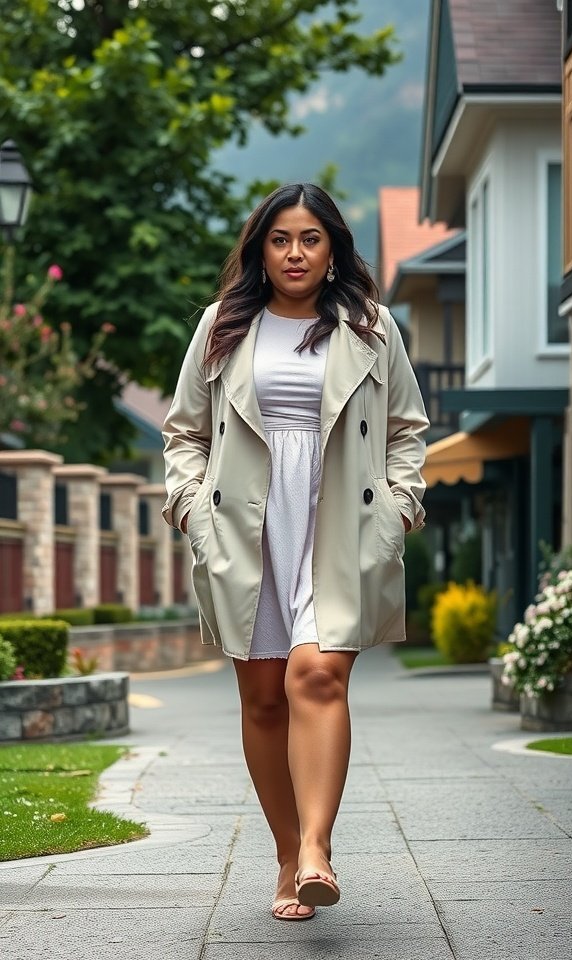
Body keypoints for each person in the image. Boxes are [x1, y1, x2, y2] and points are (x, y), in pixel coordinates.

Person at [162, 183, 429, 921]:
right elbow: (185, 431)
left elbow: (407, 428)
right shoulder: (222, 326)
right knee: (265, 696)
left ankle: (317, 848)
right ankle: (286, 856)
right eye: (281, 239)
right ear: (261, 250)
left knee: (318, 675)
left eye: (311, 238)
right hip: (246, 526)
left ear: (334, 249)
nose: (295, 253)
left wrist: (401, 505)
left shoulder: (373, 330)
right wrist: (190, 509)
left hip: (341, 519)